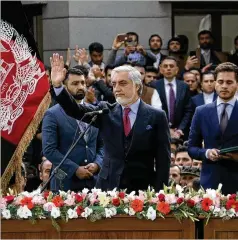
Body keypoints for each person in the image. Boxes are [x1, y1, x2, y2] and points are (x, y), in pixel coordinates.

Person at [50, 53, 170, 192]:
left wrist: (161, 193)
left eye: (123, 83)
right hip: (108, 188)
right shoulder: (105, 111)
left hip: (142, 189)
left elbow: (163, 161)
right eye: (114, 84)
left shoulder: (157, 116)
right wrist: (58, 86)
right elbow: (75, 110)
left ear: (137, 86)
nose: (117, 89)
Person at [42, 67, 104, 191]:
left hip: (93, 183)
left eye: (82, 83)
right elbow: (49, 150)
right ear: (65, 87)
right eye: (75, 83)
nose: (80, 87)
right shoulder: (52, 114)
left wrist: (98, 164)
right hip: (64, 184)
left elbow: (103, 145)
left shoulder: (95, 111)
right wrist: (75, 169)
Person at [188, 62, 238, 194]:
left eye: (229, 82)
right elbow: (192, 148)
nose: (224, 86)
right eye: (220, 82)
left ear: (237, 84)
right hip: (210, 184)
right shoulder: (201, 112)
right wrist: (207, 153)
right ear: (215, 83)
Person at [151, 56, 192, 140]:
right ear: (161, 69)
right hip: (159, 131)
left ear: (177, 70)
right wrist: (166, 129)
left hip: (181, 133)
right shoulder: (153, 85)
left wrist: (180, 129)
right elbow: (152, 110)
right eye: (165, 66)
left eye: (171, 66)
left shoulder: (184, 86)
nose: (168, 69)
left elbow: (188, 110)